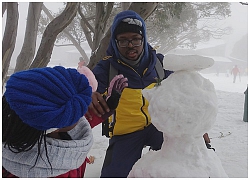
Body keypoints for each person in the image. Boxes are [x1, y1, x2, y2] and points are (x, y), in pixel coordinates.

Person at [86, 10, 173, 178]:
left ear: (144, 38)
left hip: (158, 127)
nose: (131, 45)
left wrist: (198, 131)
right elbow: (86, 85)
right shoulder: (107, 68)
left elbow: (183, 89)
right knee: (114, 175)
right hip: (125, 132)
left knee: (183, 159)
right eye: (123, 40)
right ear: (115, 41)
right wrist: (89, 93)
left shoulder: (160, 63)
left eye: (135, 39)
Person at [2, 66, 127, 178]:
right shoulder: (53, 171)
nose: (83, 111)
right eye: (76, 111)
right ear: (55, 126)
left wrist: (105, 107)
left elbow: (78, 125)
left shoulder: (25, 132)